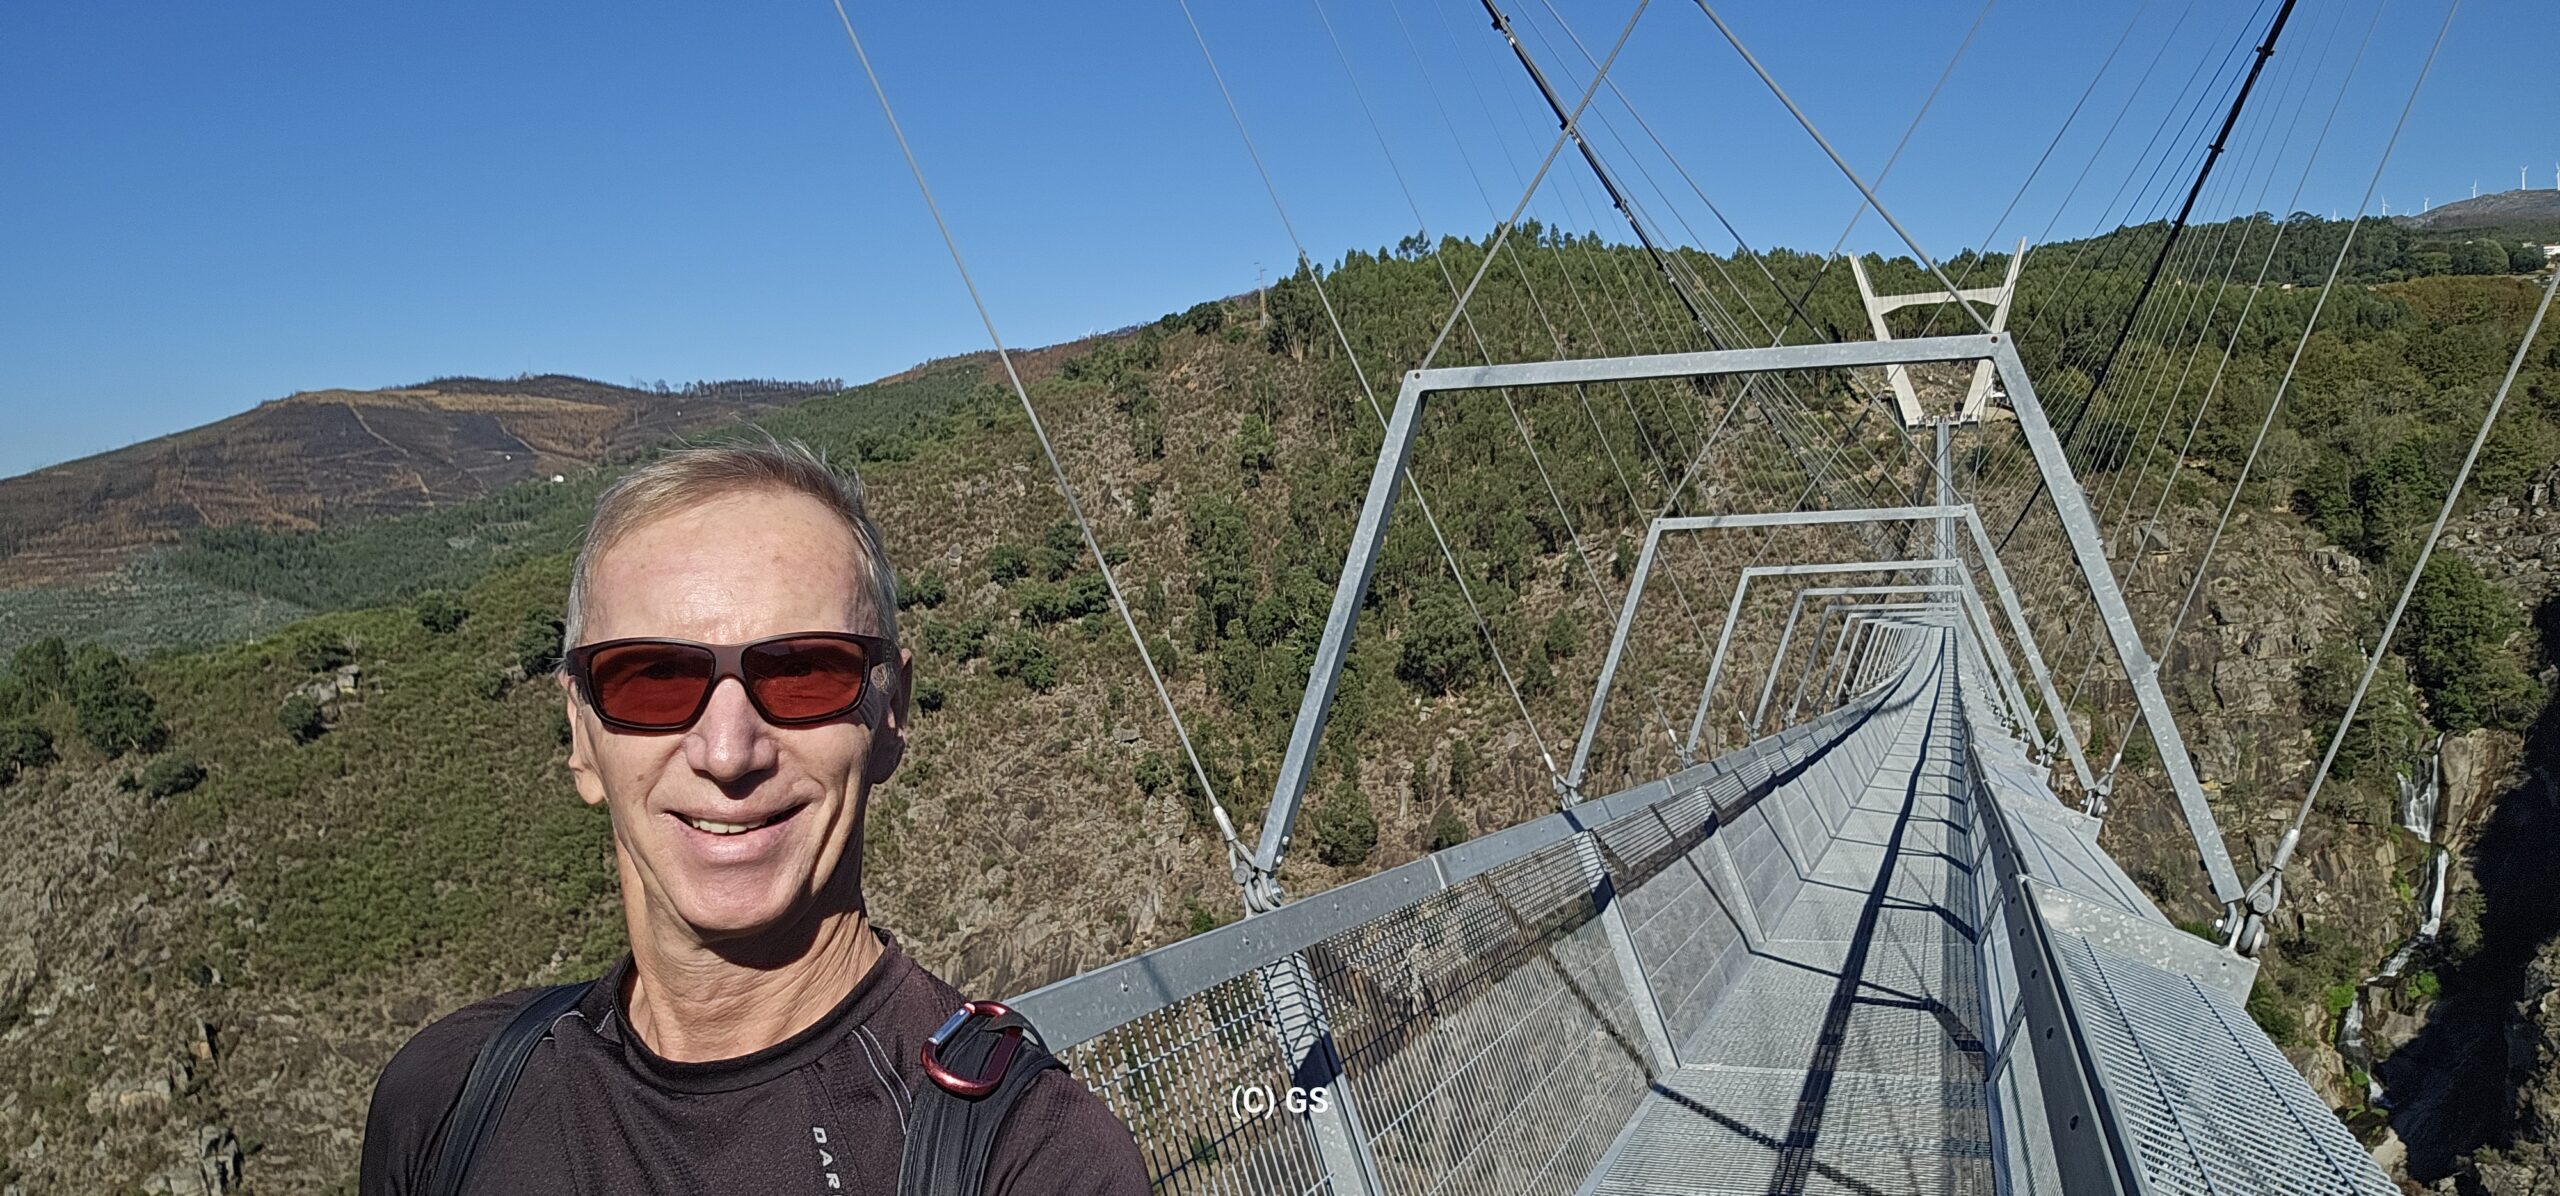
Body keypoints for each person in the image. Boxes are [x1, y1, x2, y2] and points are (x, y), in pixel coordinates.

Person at [359, 439, 1149, 1194]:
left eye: (804, 672)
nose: (728, 752)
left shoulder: (1036, 1163)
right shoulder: (448, 1097)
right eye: (654, 679)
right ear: (582, 735)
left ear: (891, 714)